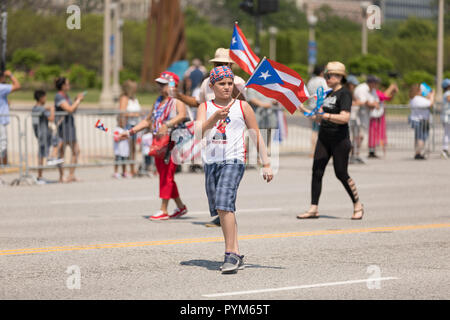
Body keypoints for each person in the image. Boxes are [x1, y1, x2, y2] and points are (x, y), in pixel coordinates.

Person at [196, 66, 273, 274]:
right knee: (222, 209)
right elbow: (197, 133)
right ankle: (236, 252)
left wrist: (266, 163)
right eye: (222, 84)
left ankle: (230, 254)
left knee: (223, 203)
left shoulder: (242, 106)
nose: (227, 87)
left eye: (230, 83)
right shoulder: (205, 106)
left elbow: (257, 135)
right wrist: (214, 118)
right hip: (211, 162)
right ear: (212, 86)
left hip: (234, 159)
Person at [176, 48, 247, 228]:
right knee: (212, 185)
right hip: (210, 138)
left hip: (230, 139)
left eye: (224, 64)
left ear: (230, 65)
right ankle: (221, 213)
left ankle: (224, 215)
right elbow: (198, 103)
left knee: (225, 184)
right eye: (217, 64)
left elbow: (245, 105)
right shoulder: (207, 82)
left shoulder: (237, 82)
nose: (220, 66)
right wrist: (179, 96)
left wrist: (238, 93)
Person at [297, 61, 364, 220]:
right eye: (327, 75)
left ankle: (357, 204)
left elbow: (345, 117)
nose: (328, 77)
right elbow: (318, 118)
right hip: (324, 137)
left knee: (341, 173)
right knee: (317, 171)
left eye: (332, 75)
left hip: (340, 139)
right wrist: (302, 109)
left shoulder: (345, 93)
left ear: (340, 77)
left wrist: (325, 116)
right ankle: (314, 208)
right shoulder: (327, 94)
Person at [120, 71, 188, 220]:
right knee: (165, 175)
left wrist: (167, 124)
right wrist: (130, 132)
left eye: (163, 84)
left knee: (166, 176)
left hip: (172, 143)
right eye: (159, 84)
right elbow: (148, 121)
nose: (159, 86)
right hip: (158, 143)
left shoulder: (177, 100)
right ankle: (181, 207)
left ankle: (163, 210)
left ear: (172, 85)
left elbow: (182, 115)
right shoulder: (158, 101)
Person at [54, 77, 84, 183]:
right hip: (63, 127)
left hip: (70, 126)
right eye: (67, 84)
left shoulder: (66, 96)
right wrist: (78, 100)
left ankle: (71, 175)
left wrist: (76, 100)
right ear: (62, 86)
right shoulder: (58, 96)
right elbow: (69, 109)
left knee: (76, 151)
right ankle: (61, 176)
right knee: (61, 152)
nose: (69, 85)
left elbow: (72, 108)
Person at [354, 75, 382, 159]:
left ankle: (356, 154)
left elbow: (376, 103)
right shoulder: (362, 88)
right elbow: (364, 102)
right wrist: (372, 104)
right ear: (371, 83)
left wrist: (372, 104)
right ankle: (354, 153)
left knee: (361, 136)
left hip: (365, 116)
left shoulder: (373, 90)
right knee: (357, 135)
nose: (377, 84)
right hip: (357, 115)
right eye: (375, 83)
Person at [119, 80, 142, 177]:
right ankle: (126, 169)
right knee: (126, 148)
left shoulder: (134, 99)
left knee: (133, 148)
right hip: (128, 125)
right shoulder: (124, 98)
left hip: (135, 125)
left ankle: (132, 168)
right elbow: (122, 112)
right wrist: (134, 114)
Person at [370, 83, 399, 158]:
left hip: (380, 115)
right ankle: (371, 151)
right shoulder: (373, 92)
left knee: (381, 133)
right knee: (373, 133)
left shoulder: (378, 91)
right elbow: (383, 96)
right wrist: (391, 87)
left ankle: (378, 149)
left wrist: (393, 92)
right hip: (374, 116)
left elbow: (388, 98)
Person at [247, 88, 279, 156]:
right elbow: (252, 99)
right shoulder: (252, 87)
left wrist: (275, 101)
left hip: (269, 114)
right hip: (257, 114)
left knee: (268, 132)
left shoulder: (271, 86)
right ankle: (254, 154)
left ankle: (265, 151)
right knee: (255, 134)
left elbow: (276, 98)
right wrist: (264, 105)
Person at [31, 90, 54, 184]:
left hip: (41, 133)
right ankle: (40, 176)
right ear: (41, 98)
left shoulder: (36, 108)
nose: (46, 99)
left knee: (42, 153)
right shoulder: (40, 109)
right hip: (42, 133)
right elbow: (51, 118)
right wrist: (52, 109)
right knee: (41, 154)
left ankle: (40, 175)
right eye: (45, 97)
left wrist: (47, 108)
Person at [0, 70, 21, 167]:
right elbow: (17, 85)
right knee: (2, 145)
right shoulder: (1, 87)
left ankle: (3, 163)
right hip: (1, 121)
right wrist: (10, 75)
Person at [306, 66, 328, 157]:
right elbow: (327, 91)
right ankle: (315, 150)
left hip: (311, 106)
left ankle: (313, 150)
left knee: (313, 130)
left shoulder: (311, 81)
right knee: (318, 130)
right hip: (319, 106)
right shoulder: (322, 81)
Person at [409, 83, 434, 160]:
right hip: (420, 121)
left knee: (418, 137)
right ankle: (418, 152)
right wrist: (432, 95)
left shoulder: (414, 98)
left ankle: (417, 152)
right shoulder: (417, 99)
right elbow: (430, 103)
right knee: (421, 137)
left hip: (418, 120)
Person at [346, 75, 364, 164]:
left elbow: (358, 102)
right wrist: (357, 103)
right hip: (348, 118)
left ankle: (354, 155)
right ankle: (347, 156)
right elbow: (350, 103)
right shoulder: (345, 93)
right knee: (348, 138)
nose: (354, 87)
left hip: (354, 118)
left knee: (355, 138)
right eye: (353, 85)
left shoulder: (351, 93)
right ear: (349, 84)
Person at [441, 79, 450, 159]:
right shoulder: (447, 93)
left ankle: (445, 149)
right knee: (447, 133)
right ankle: (445, 149)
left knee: (447, 134)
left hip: (447, 116)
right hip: (447, 117)